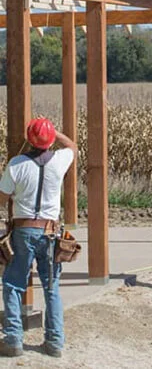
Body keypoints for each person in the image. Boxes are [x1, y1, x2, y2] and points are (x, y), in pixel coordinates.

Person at [0, 118, 77, 358]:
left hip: (23, 230)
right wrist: (55, 133)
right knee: (51, 287)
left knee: (13, 284)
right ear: (50, 140)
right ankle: (54, 342)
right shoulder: (60, 160)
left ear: (29, 140)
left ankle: (13, 339)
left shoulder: (17, 164)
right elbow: (73, 146)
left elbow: (2, 197)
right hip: (50, 232)